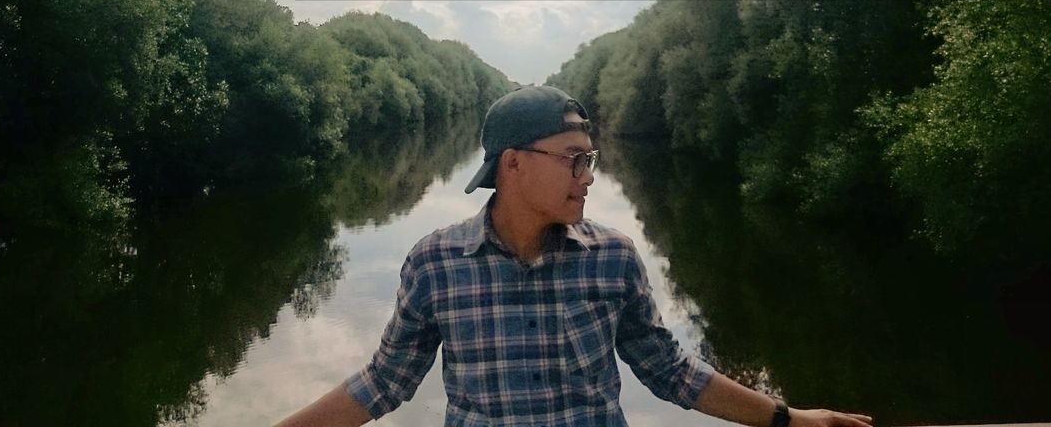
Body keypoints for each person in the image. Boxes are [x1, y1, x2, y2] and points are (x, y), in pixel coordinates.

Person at [273, 85, 873, 427]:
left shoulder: (613, 257)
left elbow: (670, 371)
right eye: (573, 158)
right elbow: (384, 383)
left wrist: (789, 420)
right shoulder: (435, 264)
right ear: (513, 163)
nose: (587, 176)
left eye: (591, 159)